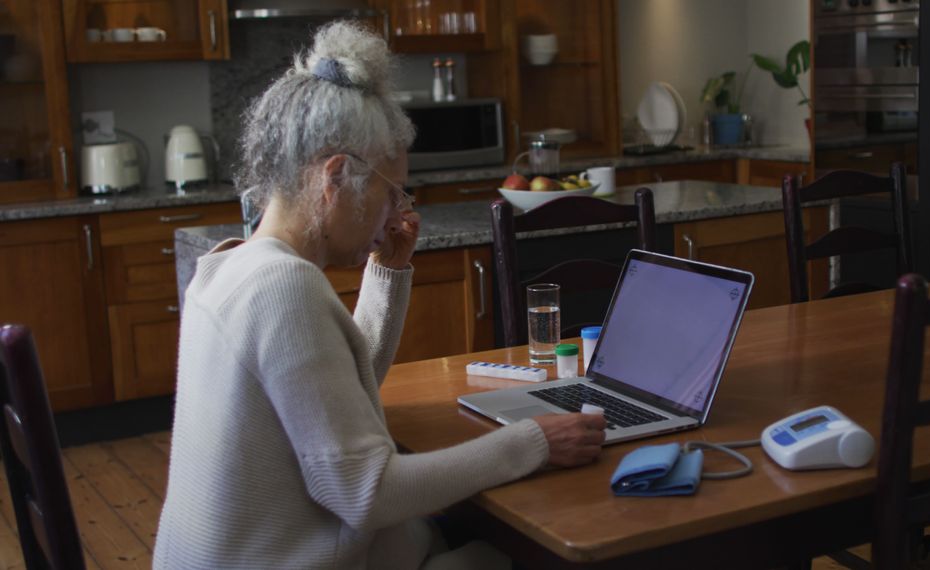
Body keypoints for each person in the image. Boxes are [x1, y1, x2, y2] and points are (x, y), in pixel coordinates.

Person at [154, 21, 607, 569]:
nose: (400, 212)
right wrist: (534, 441)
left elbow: (341, 387)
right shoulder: (285, 286)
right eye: (391, 193)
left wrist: (388, 272)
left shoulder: (227, 267)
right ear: (336, 177)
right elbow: (366, 492)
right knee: (516, 555)